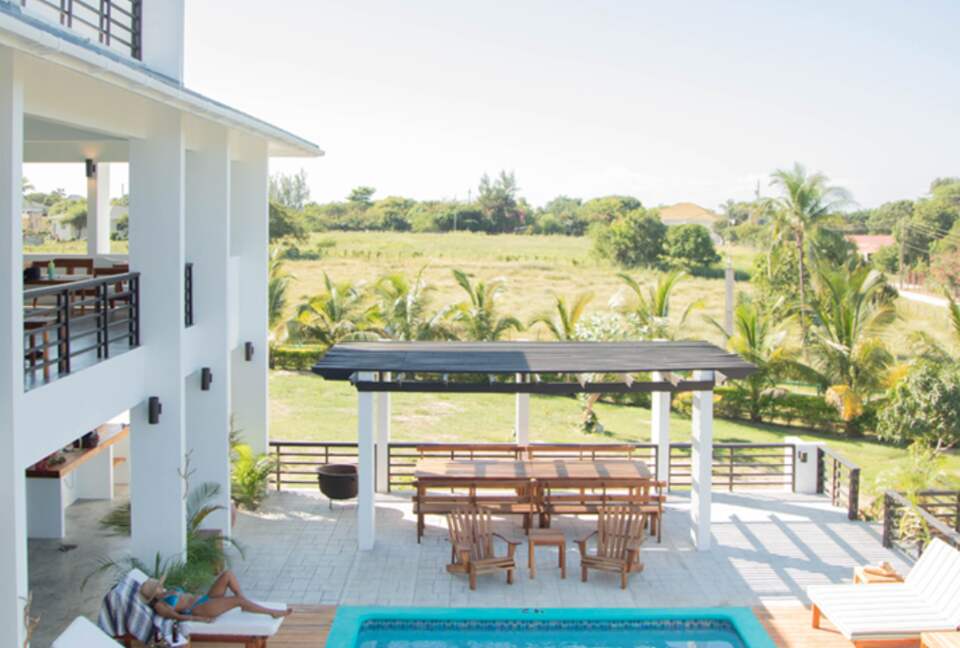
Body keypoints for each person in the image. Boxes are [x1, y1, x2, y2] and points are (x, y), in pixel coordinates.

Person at [139, 571, 292, 623]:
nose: (160, 585)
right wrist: (200, 620)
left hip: (204, 599)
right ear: (154, 592)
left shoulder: (166, 592)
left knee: (227, 574)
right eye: (157, 586)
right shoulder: (160, 606)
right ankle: (271, 612)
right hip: (199, 609)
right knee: (237, 601)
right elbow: (177, 617)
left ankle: (244, 603)